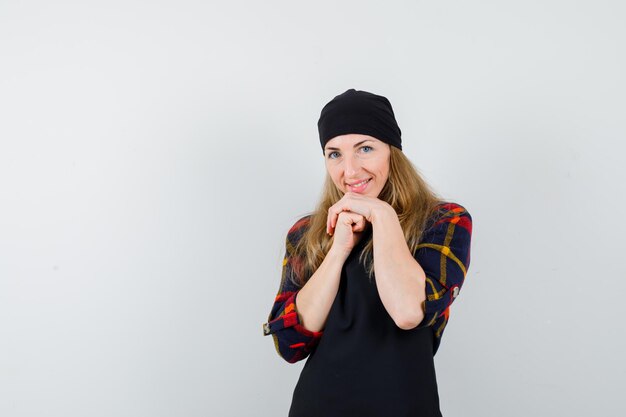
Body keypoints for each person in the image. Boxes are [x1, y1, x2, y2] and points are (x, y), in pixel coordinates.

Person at [262, 88, 473, 417]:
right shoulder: (306, 233)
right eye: (334, 154)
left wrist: (383, 215)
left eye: (365, 148)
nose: (350, 170)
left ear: (392, 152)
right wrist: (338, 250)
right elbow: (289, 343)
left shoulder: (444, 221)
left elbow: (408, 312)